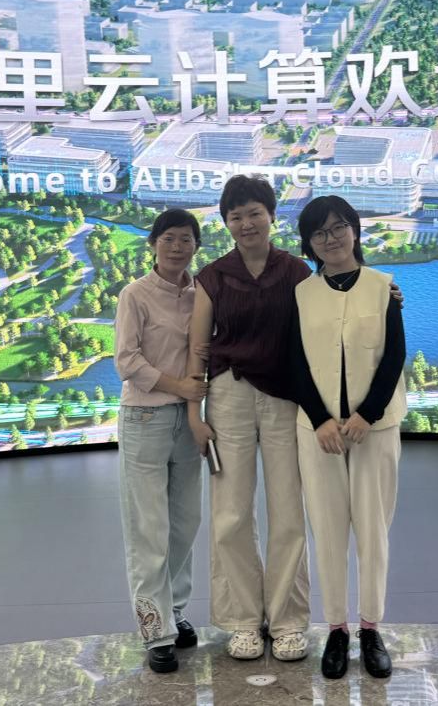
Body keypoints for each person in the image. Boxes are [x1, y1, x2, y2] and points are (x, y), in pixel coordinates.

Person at [186, 175, 314, 662]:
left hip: (285, 399)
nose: (246, 223)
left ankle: (287, 621)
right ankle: (242, 620)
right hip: (228, 397)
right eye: (235, 216)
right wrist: (195, 414)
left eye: (254, 213)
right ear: (226, 223)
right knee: (231, 512)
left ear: (272, 216)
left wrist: (387, 298)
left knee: (289, 510)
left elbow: (326, 324)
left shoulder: (297, 272)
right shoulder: (213, 277)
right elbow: (198, 349)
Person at [289, 194, 407, 680]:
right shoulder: (301, 294)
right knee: (328, 531)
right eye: (319, 232)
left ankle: (371, 628)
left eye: (339, 227)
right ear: (309, 243)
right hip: (318, 432)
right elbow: (294, 361)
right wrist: (320, 419)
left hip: (374, 429)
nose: (331, 238)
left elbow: (394, 356)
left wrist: (366, 415)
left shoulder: (383, 288)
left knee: (373, 530)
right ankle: (336, 629)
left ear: (354, 230)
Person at [114, 208, 208, 674]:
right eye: (168, 238)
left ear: (196, 246)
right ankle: (156, 632)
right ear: (153, 243)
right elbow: (127, 361)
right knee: (149, 529)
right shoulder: (135, 294)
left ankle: (175, 609)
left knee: (185, 523)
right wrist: (181, 387)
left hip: (188, 422)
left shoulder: (201, 294)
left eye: (185, 239)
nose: (177, 247)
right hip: (145, 419)